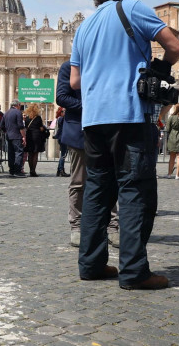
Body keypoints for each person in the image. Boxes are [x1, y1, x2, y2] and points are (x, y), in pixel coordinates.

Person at [70, 0, 179, 290]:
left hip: (93, 120)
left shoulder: (84, 26)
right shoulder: (134, 8)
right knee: (135, 191)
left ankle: (90, 264)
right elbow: (175, 47)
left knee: (96, 192)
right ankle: (134, 271)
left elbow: (75, 82)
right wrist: (159, 70)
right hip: (130, 114)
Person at [56, 60, 120, 249]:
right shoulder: (69, 67)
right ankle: (76, 226)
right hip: (79, 131)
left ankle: (112, 227)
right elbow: (61, 97)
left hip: (107, 128)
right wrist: (91, 105)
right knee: (78, 181)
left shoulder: (106, 63)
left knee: (109, 180)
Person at [2, 101, 27, 177]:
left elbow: (1, 126)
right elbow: (20, 126)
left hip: (9, 136)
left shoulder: (6, 113)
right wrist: (24, 136)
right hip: (17, 136)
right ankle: (17, 171)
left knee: (11, 153)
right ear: (18, 105)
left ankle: (11, 170)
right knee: (19, 152)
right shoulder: (18, 112)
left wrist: (7, 131)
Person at [24, 103, 48, 177]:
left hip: (29, 136)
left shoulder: (27, 118)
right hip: (36, 136)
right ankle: (33, 170)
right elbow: (41, 128)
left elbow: (25, 127)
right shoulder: (38, 118)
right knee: (35, 153)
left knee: (30, 154)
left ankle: (30, 169)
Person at [52, 107, 68, 177]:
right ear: (60, 112)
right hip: (63, 138)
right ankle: (61, 170)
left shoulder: (59, 118)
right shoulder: (62, 119)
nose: (65, 112)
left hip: (61, 138)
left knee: (63, 154)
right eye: (63, 111)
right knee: (63, 155)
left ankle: (59, 170)